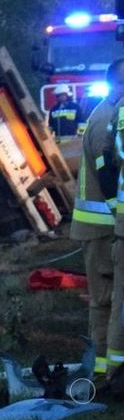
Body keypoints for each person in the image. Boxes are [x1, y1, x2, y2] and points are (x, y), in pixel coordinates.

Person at [77, 59, 124, 378]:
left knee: (106, 299)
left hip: (102, 223)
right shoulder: (108, 116)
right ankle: (108, 373)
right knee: (106, 298)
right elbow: (107, 171)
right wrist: (117, 211)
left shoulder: (109, 112)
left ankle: (106, 369)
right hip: (103, 225)